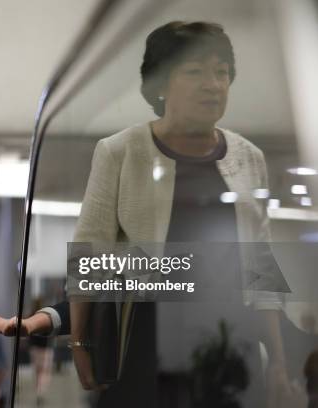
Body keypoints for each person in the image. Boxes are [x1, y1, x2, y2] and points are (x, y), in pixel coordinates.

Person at [66, 21, 290, 407]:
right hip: (143, 339)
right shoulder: (121, 151)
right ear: (161, 82)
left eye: (222, 72)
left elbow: (262, 269)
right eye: (195, 71)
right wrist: (81, 341)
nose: (213, 84)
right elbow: (90, 254)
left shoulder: (249, 158)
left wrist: (279, 362)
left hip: (228, 343)